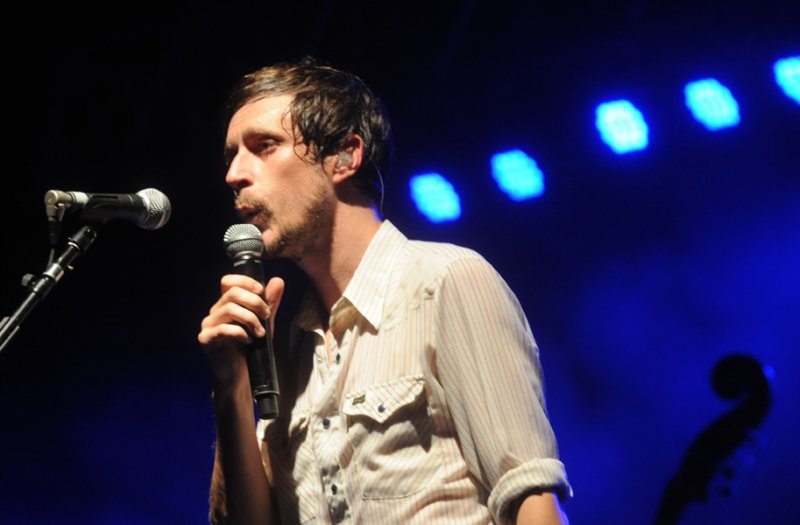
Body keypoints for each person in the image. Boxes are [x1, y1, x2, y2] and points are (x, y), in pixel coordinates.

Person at [197, 56, 572, 525]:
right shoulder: (289, 346)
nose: (234, 174)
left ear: (345, 156)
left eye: (264, 146)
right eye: (231, 155)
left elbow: (530, 497)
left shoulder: (445, 281)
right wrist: (231, 387)